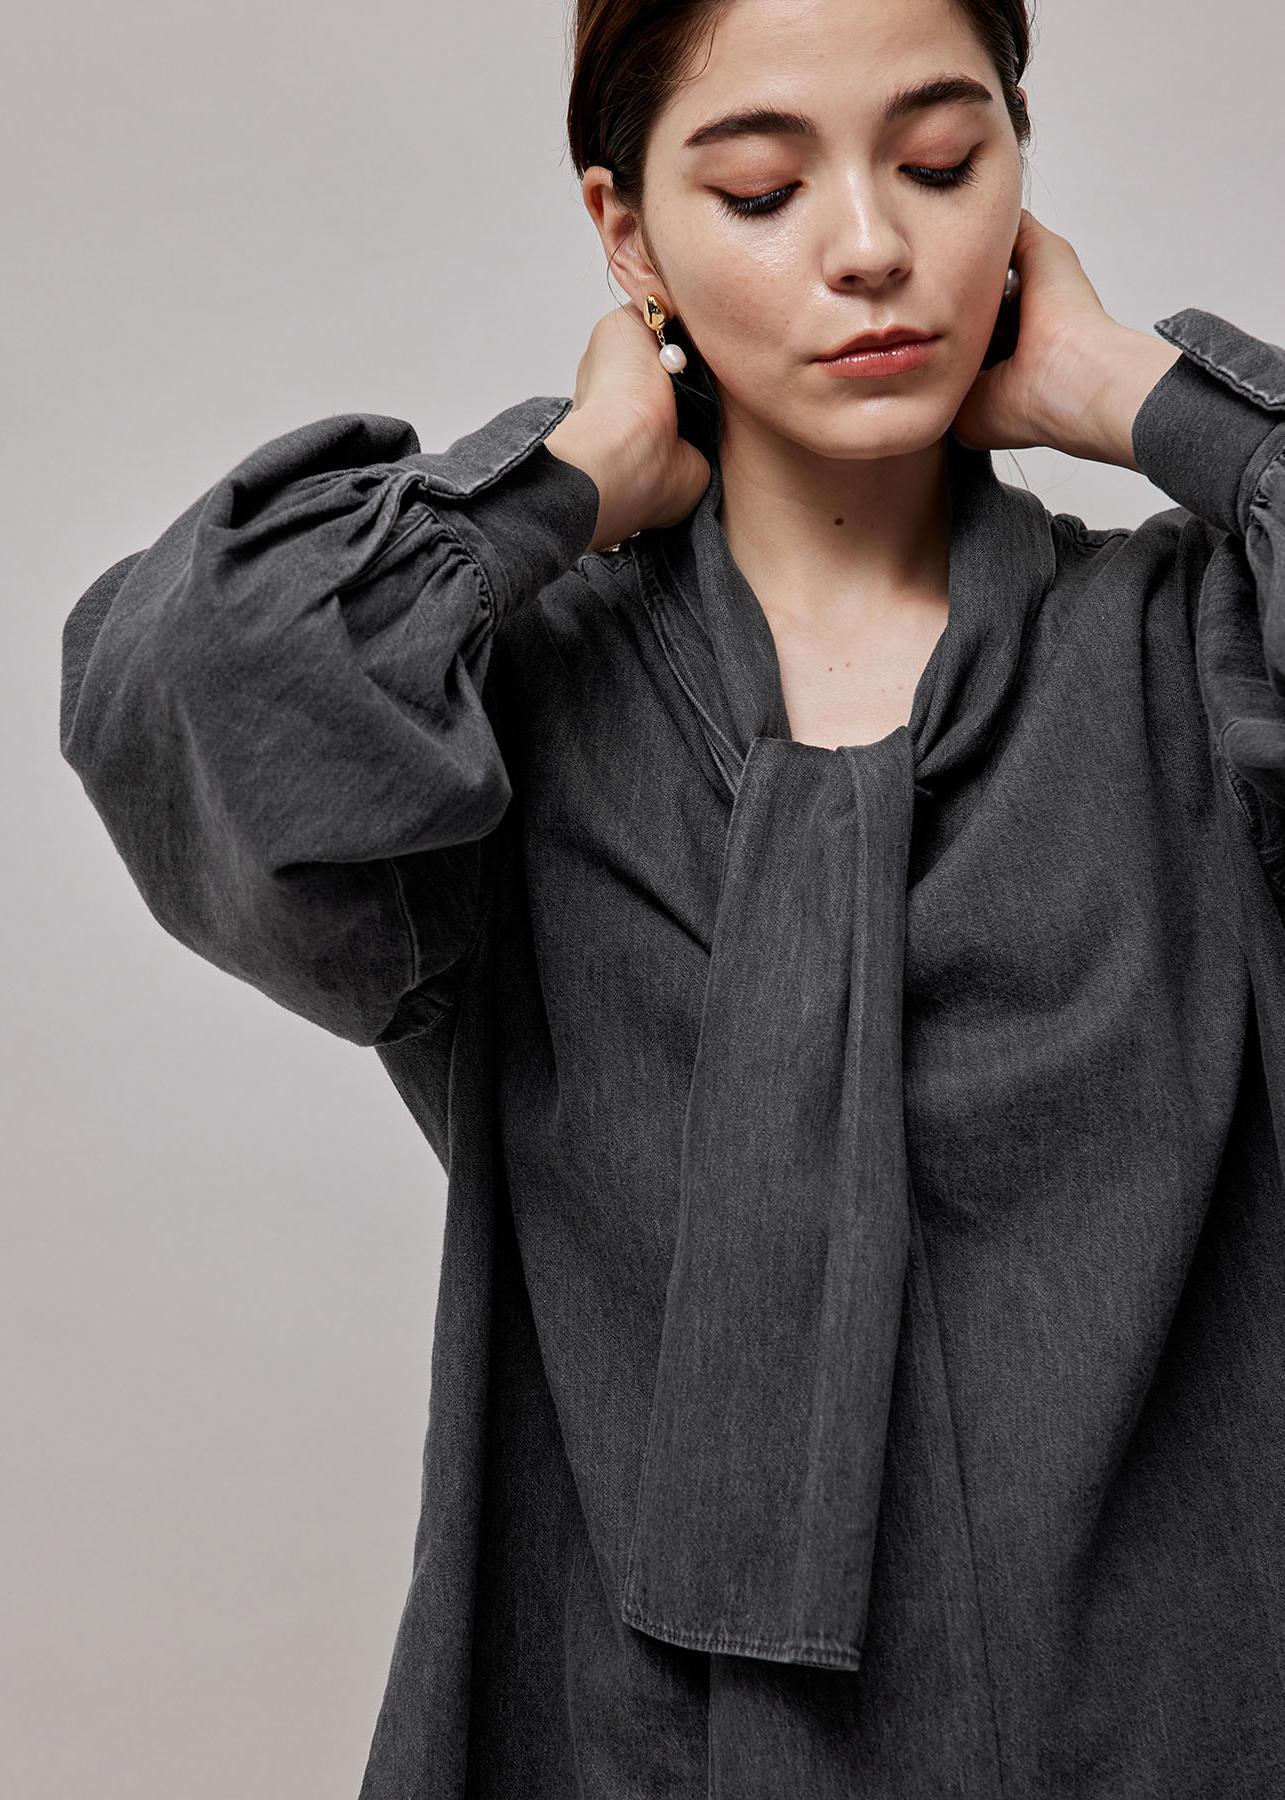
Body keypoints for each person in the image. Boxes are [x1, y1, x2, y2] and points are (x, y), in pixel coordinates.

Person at [58, 0, 1285, 1793]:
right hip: (629, 1744)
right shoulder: (504, 715)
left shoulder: (1195, 665)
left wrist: (1149, 399)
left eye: (940, 162)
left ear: (1019, 175)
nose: (868, 246)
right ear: (625, 232)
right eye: (763, 191)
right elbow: (189, 701)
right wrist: (550, 490)